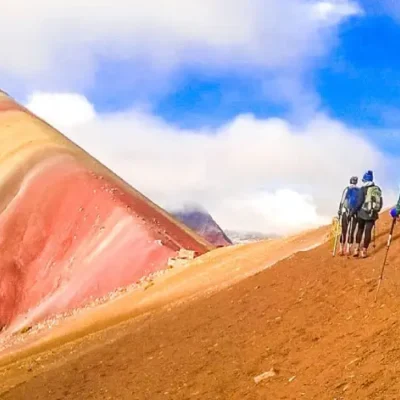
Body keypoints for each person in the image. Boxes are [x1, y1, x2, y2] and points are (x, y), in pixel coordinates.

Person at [353, 170, 383, 258]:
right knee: (368, 232)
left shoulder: (362, 189)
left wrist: (354, 211)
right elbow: (380, 202)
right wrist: (376, 211)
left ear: (365, 180)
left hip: (362, 213)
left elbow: (359, 202)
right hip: (372, 214)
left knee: (360, 229)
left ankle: (356, 249)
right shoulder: (377, 189)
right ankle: (364, 251)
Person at [337, 176, 360, 256]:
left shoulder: (346, 189)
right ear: (356, 182)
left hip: (345, 212)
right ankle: (348, 249)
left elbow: (342, 201)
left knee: (344, 230)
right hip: (354, 213)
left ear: (350, 181)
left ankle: (341, 249)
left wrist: (339, 211)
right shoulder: (359, 190)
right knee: (352, 231)